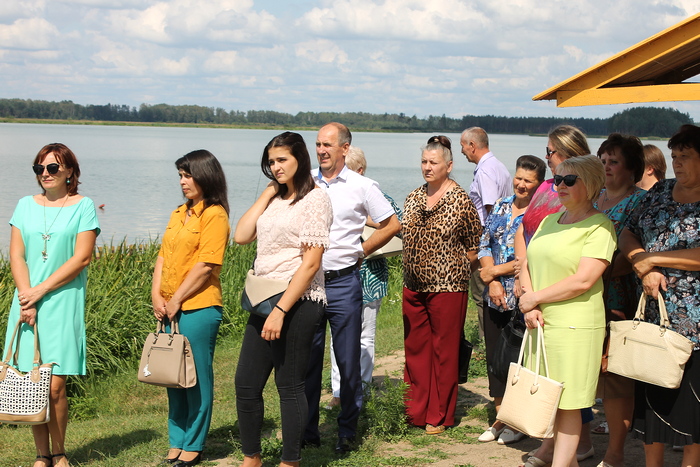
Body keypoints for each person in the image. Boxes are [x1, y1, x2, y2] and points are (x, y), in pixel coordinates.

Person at [234, 132, 332, 467]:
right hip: (263, 297)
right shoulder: (275, 198)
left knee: (289, 385)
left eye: (282, 160)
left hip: (298, 300)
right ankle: (252, 458)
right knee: (246, 383)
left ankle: (290, 461)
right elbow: (241, 235)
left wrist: (280, 310)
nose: (276, 167)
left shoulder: (316, 199)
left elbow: (311, 263)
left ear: (300, 159)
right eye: (271, 162)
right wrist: (267, 193)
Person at [303, 122, 401, 453]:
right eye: (318, 144)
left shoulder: (362, 186)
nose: (321, 150)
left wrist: (362, 250)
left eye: (327, 145)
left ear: (345, 148)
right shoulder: (305, 182)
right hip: (309, 284)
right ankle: (308, 431)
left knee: (347, 361)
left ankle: (347, 431)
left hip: (344, 282)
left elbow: (392, 223)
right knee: (308, 359)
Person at [5, 143, 100, 467]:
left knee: (55, 386)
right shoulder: (24, 205)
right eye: (39, 168)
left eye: (53, 167)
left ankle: (59, 452)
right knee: (34, 382)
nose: (45, 174)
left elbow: (82, 258)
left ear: (70, 171)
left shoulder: (83, 206)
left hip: (61, 302)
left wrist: (41, 291)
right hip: (26, 302)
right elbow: (16, 255)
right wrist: (27, 297)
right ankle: (41, 455)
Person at [519, 155, 616, 467]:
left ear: (591, 185)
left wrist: (535, 299)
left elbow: (583, 280)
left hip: (575, 325)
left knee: (569, 401)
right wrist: (530, 302)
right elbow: (526, 263)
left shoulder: (600, 227)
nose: (560, 185)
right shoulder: (549, 220)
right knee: (549, 398)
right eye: (558, 179)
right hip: (540, 322)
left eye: (569, 180)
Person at [620, 123, 700, 467]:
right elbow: (628, 232)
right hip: (655, 318)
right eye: (674, 155)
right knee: (653, 399)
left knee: (692, 406)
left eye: (686, 156)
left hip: (695, 325)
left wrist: (655, 258)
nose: (677, 162)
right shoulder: (659, 191)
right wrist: (642, 264)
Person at [152, 150, 229, 467]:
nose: (183, 182)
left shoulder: (215, 215)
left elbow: (205, 265)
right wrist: (157, 295)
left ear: (205, 176)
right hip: (169, 307)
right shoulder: (178, 213)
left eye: (188, 175)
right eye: (180, 176)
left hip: (198, 307)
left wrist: (176, 300)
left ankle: (194, 444)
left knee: (195, 378)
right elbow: (162, 257)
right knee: (173, 377)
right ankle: (177, 440)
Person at [402, 135, 482, 434]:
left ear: (448, 166)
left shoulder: (460, 200)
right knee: (416, 350)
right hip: (413, 285)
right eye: (424, 161)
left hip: (448, 288)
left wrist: (454, 269)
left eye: (433, 162)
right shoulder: (413, 197)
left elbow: (475, 245)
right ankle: (415, 410)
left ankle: (439, 414)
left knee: (444, 352)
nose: (427, 167)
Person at [326, 146, 403, 410]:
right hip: (339, 277)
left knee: (365, 336)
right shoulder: (332, 195)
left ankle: (364, 387)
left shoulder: (377, 195)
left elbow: (399, 227)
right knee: (337, 335)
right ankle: (339, 391)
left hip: (370, 276)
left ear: (360, 170)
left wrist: (369, 221)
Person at [477, 155, 546, 445]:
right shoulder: (502, 205)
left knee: (520, 359)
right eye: (518, 177)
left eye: (528, 180)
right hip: (494, 295)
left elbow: (526, 259)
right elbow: (484, 243)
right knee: (496, 357)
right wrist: (491, 280)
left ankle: (518, 420)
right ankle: (500, 417)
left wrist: (494, 271)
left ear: (539, 184)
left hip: (522, 296)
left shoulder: (541, 214)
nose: (521, 184)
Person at [592, 134, 646, 467]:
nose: (606, 167)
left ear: (632, 168)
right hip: (585, 296)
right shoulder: (593, 196)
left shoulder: (640, 201)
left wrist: (597, 269)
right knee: (587, 371)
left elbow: (636, 251)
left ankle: (615, 452)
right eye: (602, 161)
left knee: (615, 376)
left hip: (619, 297)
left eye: (614, 161)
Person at [460, 127, 512, 340]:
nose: (462, 151)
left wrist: (486, 244)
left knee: (482, 291)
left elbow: (491, 209)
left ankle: (487, 341)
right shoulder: (499, 166)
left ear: (472, 145)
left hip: (487, 240)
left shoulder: (485, 171)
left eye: (463, 146)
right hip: (503, 238)